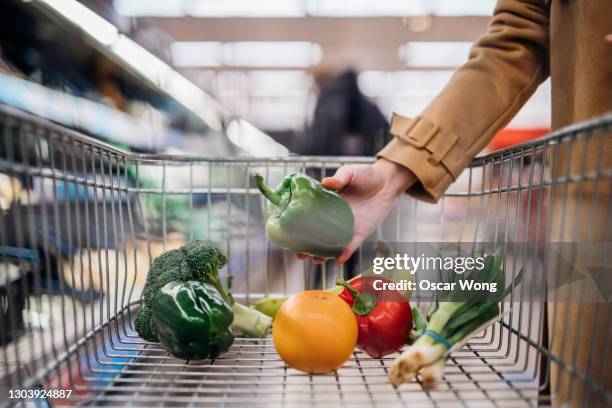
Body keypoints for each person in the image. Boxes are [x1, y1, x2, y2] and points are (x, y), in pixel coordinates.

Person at [298, 1, 611, 405]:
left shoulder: (328, 105)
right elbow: (518, 35)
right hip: (593, 202)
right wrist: (394, 170)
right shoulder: (356, 102)